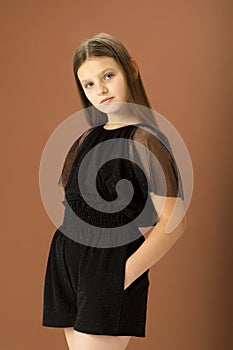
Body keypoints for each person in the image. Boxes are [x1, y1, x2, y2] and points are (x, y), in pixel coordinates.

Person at [42, 32, 187, 350]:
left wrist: (121, 274)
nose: (101, 89)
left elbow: (173, 223)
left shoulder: (145, 140)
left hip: (107, 269)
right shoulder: (85, 139)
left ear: (130, 69)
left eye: (108, 75)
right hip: (67, 267)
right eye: (89, 84)